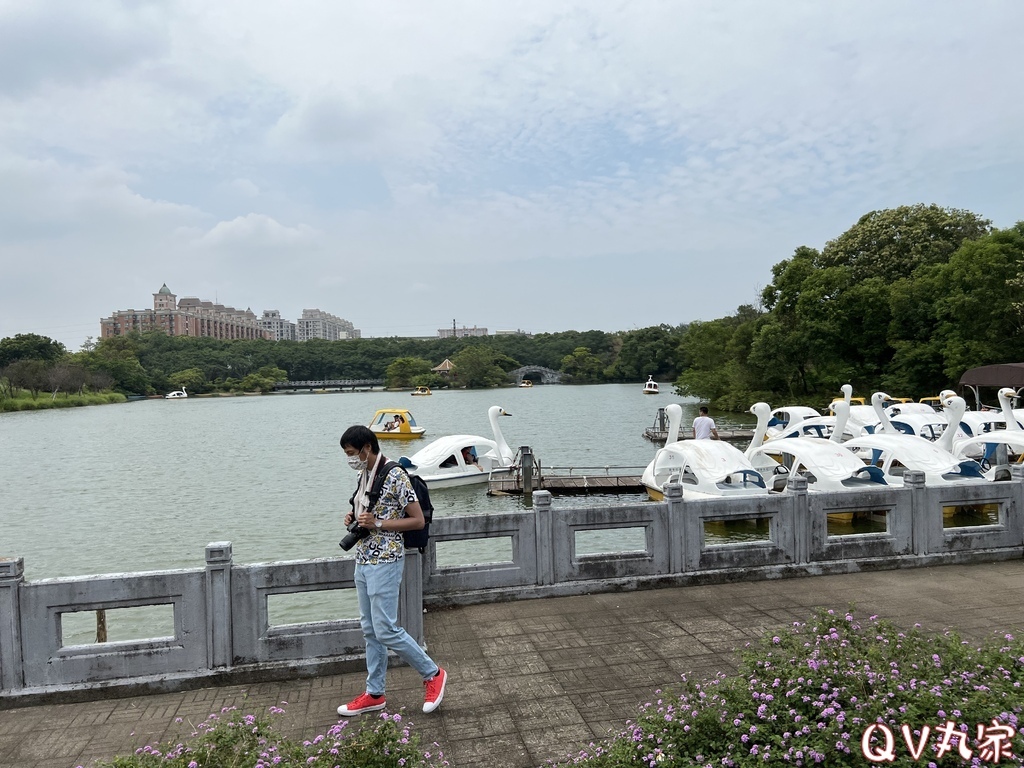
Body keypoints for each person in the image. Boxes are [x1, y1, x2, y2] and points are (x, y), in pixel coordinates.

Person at [336, 425, 447, 716]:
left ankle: (432, 673)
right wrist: (353, 516)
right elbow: (370, 512)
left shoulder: (395, 475)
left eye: (351, 453)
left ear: (366, 448)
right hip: (363, 559)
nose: (350, 459)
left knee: (385, 629)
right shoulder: (364, 475)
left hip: (386, 559)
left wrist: (379, 524)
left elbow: (417, 521)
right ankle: (375, 693)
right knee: (370, 630)